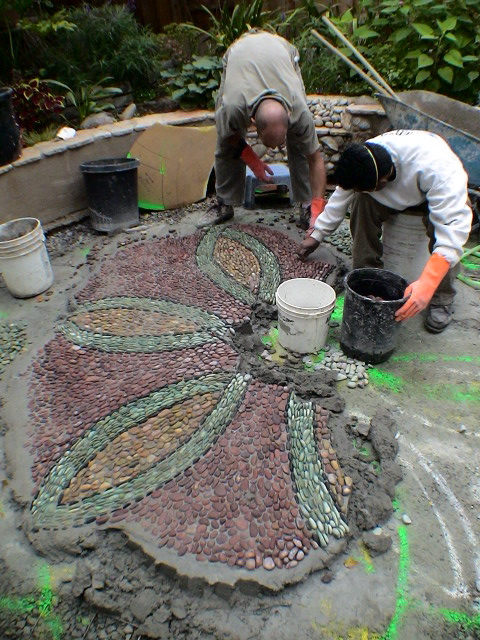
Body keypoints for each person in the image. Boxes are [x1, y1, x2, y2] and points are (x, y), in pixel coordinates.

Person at [298, 130, 473, 333]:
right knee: (361, 203)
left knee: (441, 232)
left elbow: (453, 230)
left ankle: (442, 298)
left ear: (382, 182)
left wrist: (427, 283)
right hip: (390, 190)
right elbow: (341, 195)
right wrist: (317, 235)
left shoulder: (438, 169)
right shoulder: (366, 157)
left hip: (427, 198)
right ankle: (367, 281)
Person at [196, 30, 327, 229]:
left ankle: (308, 206)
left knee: (301, 143)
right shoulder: (234, 105)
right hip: (240, 53)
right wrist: (250, 157)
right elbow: (227, 132)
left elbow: (315, 159)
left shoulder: (299, 112)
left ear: (289, 118)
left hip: (281, 50)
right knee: (225, 142)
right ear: (253, 122)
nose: (276, 149)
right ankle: (224, 203)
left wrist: (318, 210)